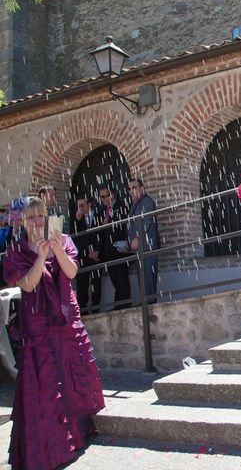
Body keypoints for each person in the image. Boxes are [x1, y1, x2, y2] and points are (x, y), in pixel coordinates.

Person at [3, 197, 104, 469]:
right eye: (31, 217)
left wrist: (57, 249)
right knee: (46, 380)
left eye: (40, 216)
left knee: (70, 373)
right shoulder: (16, 248)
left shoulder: (63, 239)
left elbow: (70, 272)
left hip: (65, 317)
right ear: (22, 221)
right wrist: (39, 256)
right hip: (36, 321)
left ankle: (77, 432)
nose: (36, 222)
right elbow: (27, 284)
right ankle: (52, 443)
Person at [97, 185, 131, 309]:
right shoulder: (103, 210)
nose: (103, 199)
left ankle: (124, 303)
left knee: (121, 276)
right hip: (109, 249)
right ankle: (119, 303)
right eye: (101, 197)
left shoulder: (121, 206)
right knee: (114, 278)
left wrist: (109, 222)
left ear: (112, 195)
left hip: (119, 247)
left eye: (104, 196)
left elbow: (123, 223)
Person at [127, 178, 160, 304]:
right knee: (143, 276)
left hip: (147, 245)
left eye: (134, 187)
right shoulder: (136, 203)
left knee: (148, 276)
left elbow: (146, 220)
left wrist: (137, 239)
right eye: (129, 189)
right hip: (141, 247)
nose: (131, 191)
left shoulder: (146, 201)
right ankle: (146, 302)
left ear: (142, 188)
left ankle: (149, 303)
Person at [72, 196, 101, 312]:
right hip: (82, 257)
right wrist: (77, 220)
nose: (80, 209)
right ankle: (82, 310)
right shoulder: (77, 219)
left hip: (95, 255)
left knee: (96, 284)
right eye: (78, 206)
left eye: (82, 206)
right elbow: (75, 237)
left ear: (89, 205)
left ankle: (95, 308)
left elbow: (101, 234)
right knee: (82, 284)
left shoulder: (98, 215)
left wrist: (97, 250)